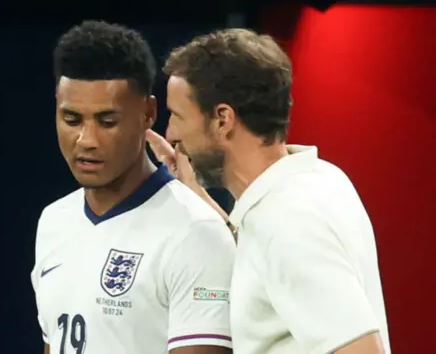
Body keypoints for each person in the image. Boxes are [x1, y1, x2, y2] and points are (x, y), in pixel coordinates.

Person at [148, 28, 390, 354]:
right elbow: (270, 259)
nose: (171, 133)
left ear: (223, 119)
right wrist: (195, 191)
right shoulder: (318, 179)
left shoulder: (287, 219)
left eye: (177, 116)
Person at [29, 21, 236, 354]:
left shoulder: (196, 233)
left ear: (148, 113)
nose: (86, 140)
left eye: (107, 121)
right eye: (71, 119)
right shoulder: (54, 221)